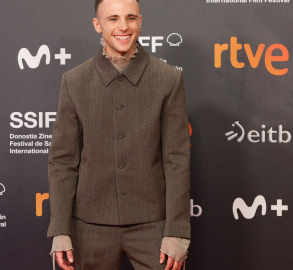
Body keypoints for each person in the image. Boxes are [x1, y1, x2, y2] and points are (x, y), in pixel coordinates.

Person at [47, 0, 191, 269]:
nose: (123, 26)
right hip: (88, 226)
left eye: (130, 18)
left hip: (154, 226)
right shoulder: (74, 81)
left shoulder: (168, 79)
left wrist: (177, 231)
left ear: (140, 22)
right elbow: (62, 162)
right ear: (97, 25)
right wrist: (60, 229)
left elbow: (177, 160)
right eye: (113, 19)